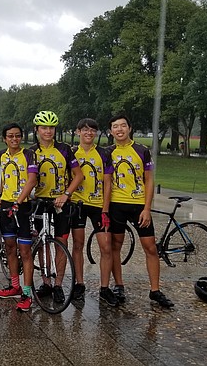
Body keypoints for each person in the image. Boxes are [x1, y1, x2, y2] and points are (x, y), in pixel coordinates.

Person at [107, 114, 174, 308]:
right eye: (115, 126)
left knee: (150, 247)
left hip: (138, 205)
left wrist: (147, 208)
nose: (119, 129)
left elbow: (149, 180)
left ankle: (155, 290)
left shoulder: (142, 150)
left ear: (129, 128)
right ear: (111, 131)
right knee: (115, 246)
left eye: (123, 126)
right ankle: (119, 285)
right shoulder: (107, 152)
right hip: (116, 205)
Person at [27, 111, 84, 304]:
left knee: (61, 242)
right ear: (36, 130)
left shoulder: (65, 149)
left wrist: (66, 194)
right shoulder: (30, 151)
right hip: (40, 202)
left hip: (61, 202)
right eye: (44, 127)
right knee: (42, 243)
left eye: (51, 127)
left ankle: (58, 284)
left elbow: (78, 176)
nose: (48, 131)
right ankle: (46, 282)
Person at [69, 118, 118, 306]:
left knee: (106, 246)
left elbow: (108, 183)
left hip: (98, 206)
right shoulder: (72, 152)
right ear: (78, 132)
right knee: (78, 245)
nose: (89, 133)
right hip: (77, 204)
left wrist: (105, 209)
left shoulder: (104, 153)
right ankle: (79, 284)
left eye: (93, 130)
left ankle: (104, 288)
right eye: (85, 130)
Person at [0, 123, 38, 311]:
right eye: (10, 136)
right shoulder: (2, 154)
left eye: (17, 136)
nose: (14, 139)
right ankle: (14, 286)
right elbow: (5, 176)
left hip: (22, 206)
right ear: (5, 138)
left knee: (25, 251)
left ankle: (26, 293)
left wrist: (18, 202)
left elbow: (32, 179)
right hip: (6, 204)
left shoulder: (28, 154)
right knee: (9, 248)